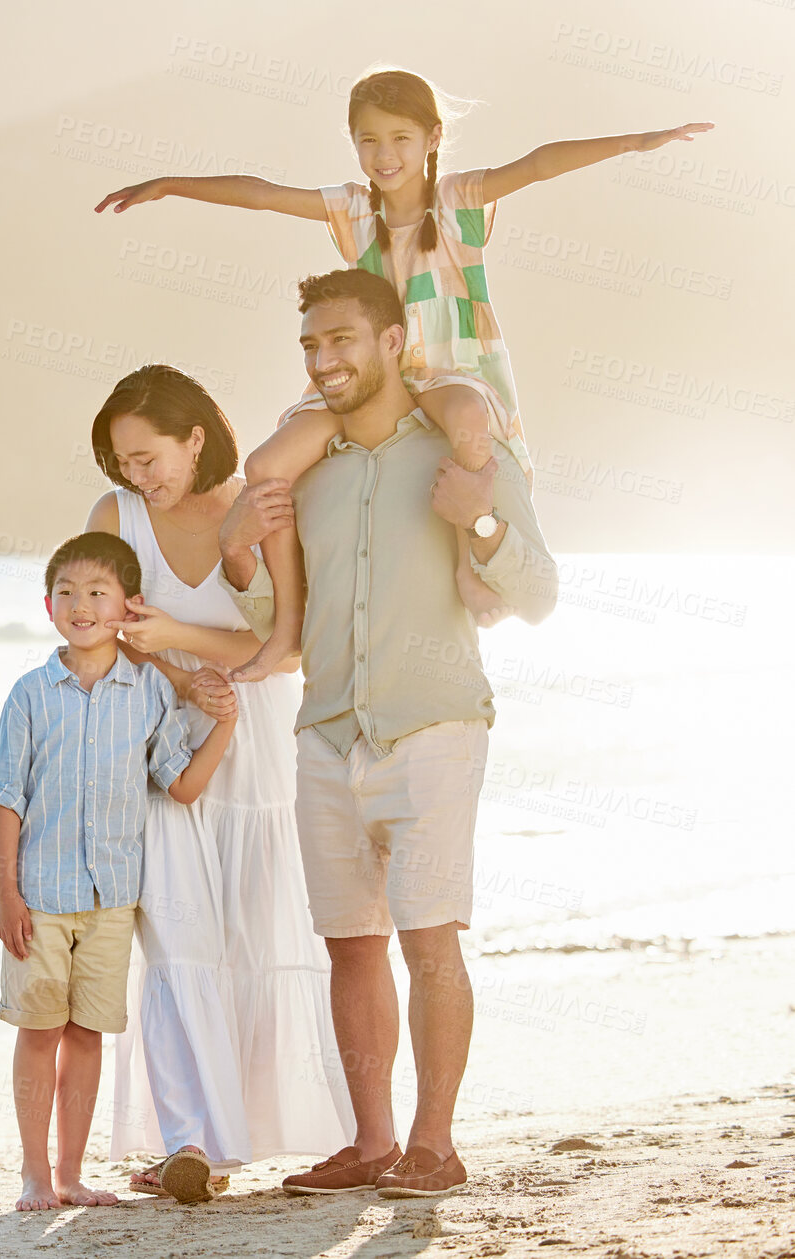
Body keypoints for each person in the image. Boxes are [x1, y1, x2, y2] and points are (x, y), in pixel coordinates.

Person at [96, 66, 708, 669]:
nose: (383, 154)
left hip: (449, 370)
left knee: (468, 419)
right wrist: (170, 184)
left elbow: (541, 161)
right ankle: (285, 627)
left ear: (432, 139)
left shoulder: (460, 200)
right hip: (365, 381)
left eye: (400, 138)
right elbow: (260, 193)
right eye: (368, 140)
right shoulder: (353, 212)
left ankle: (471, 567)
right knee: (264, 465)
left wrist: (638, 141)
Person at [218, 267, 557, 1198]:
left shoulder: (462, 451)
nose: (325, 361)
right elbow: (273, 619)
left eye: (341, 341)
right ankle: (371, 1142)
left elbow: (538, 594)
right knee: (351, 946)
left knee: (429, 940)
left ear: (392, 341)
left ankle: (434, 1145)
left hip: (434, 728)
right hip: (325, 732)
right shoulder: (307, 472)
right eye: (311, 346)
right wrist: (243, 551)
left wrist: (478, 517)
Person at [81, 365, 355, 1204]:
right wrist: (168, 661)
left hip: (256, 745)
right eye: (124, 462)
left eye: (148, 455)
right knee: (176, 941)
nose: (139, 475)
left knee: (254, 930)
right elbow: (96, 623)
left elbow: (291, 643)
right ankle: (189, 1138)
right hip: (161, 749)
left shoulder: (259, 500)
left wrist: (178, 634)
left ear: (193, 436)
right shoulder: (115, 517)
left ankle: (255, 1128)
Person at [0, 531, 238, 1212]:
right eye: (66, 592)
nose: (81, 604)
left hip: (110, 900)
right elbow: (6, 797)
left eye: (97, 592)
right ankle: (35, 1175)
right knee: (39, 1031)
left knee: (86, 1035)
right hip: (40, 897)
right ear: (48, 605)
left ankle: (70, 1175)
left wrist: (226, 728)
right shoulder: (31, 695)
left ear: (126, 605)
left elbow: (180, 785)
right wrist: (6, 893)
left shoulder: (149, 691)